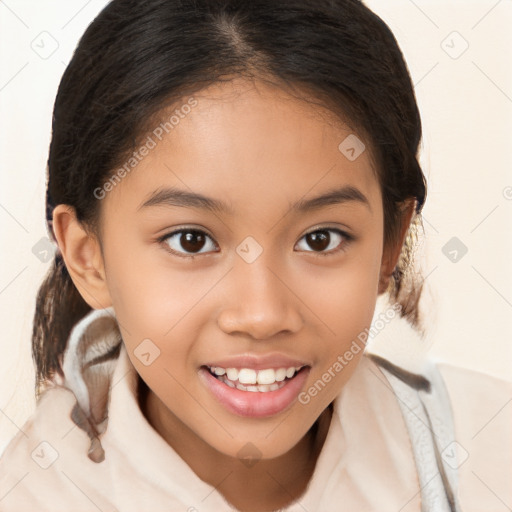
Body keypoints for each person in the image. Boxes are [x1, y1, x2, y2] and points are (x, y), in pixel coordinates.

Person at [0, 0, 510, 511]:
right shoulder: (26, 494)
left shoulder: (489, 453)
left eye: (320, 239)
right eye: (191, 241)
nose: (262, 315)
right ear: (89, 257)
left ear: (388, 245)